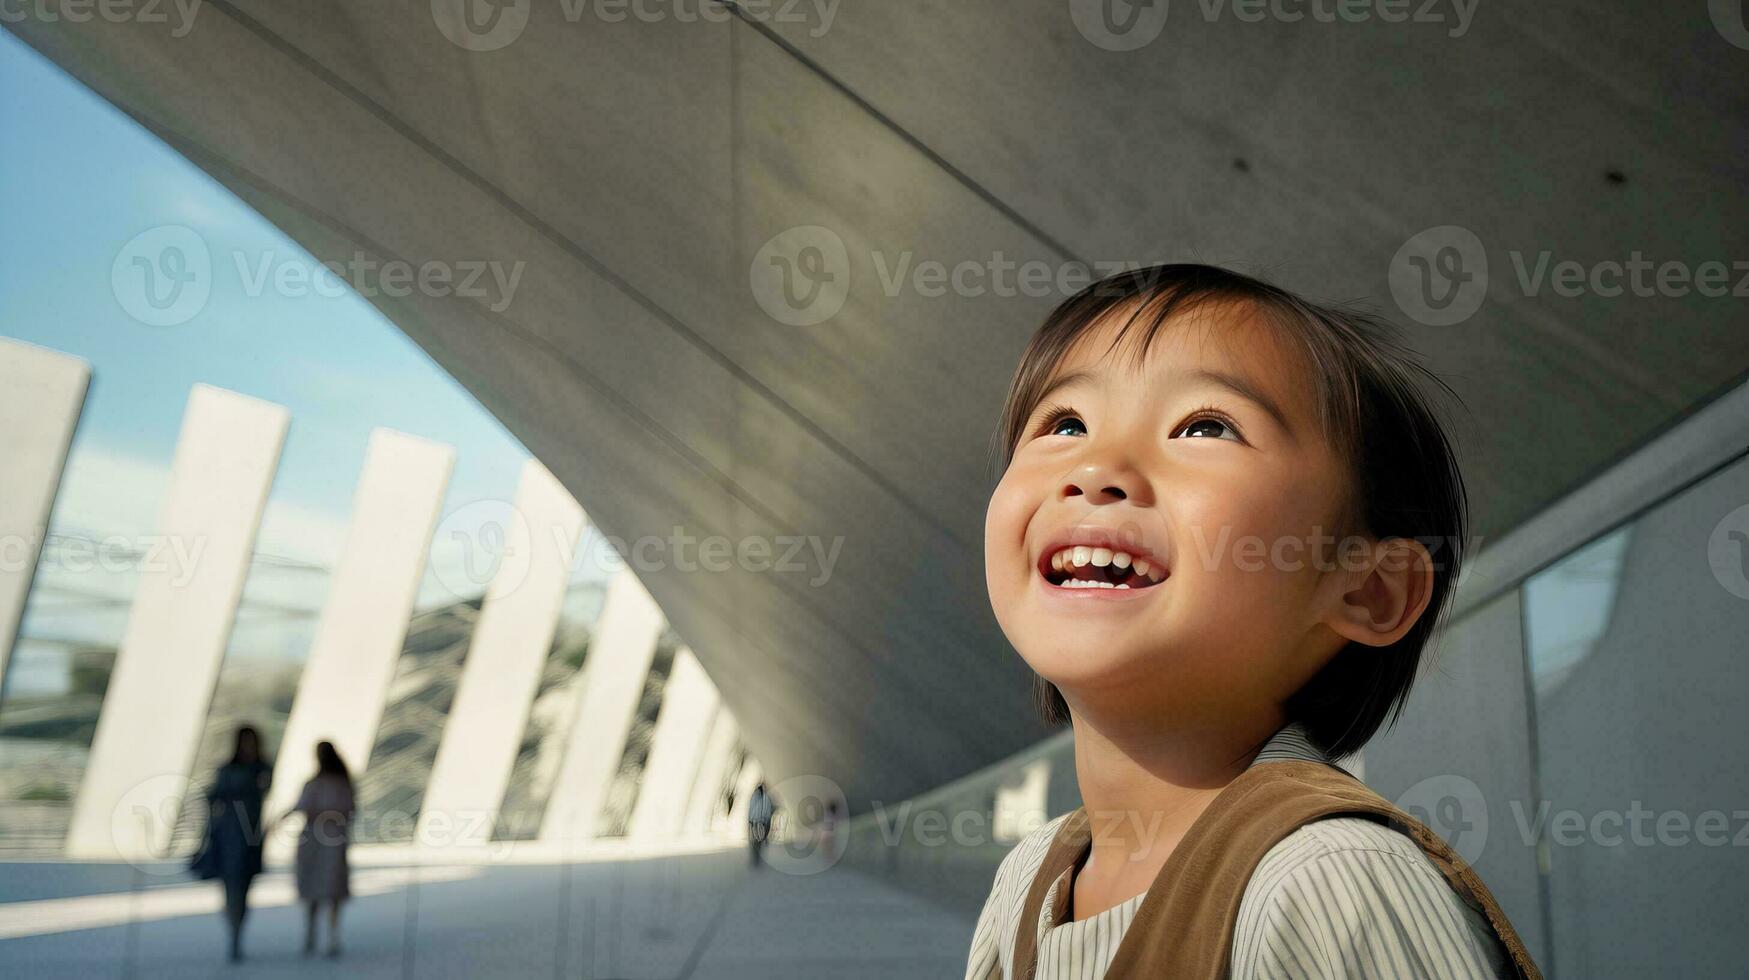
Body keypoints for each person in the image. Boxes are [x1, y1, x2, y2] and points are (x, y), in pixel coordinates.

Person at [965, 266, 1541, 978]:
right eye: (1065, 423)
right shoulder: (1030, 881)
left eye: (1205, 426)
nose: (1095, 467)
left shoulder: (1329, 881)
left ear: (1368, 593)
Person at [204, 725, 271, 962]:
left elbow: (262, 793)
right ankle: (234, 935)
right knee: (232, 888)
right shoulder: (228, 770)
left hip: (250, 837)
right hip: (229, 835)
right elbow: (214, 797)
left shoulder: (261, 769)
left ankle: (237, 933)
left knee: (242, 889)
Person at [290, 740, 354, 957]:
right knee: (321, 889)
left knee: (324, 888)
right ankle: (320, 936)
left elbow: (306, 807)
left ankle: (322, 936)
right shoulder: (337, 783)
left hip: (325, 841)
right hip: (323, 841)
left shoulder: (328, 784)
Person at [746, 782, 774, 866]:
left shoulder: (764, 797)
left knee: (758, 841)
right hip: (757, 822)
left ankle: (756, 859)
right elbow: (753, 808)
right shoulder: (760, 796)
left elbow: (766, 809)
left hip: (759, 822)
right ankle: (755, 859)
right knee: (756, 841)